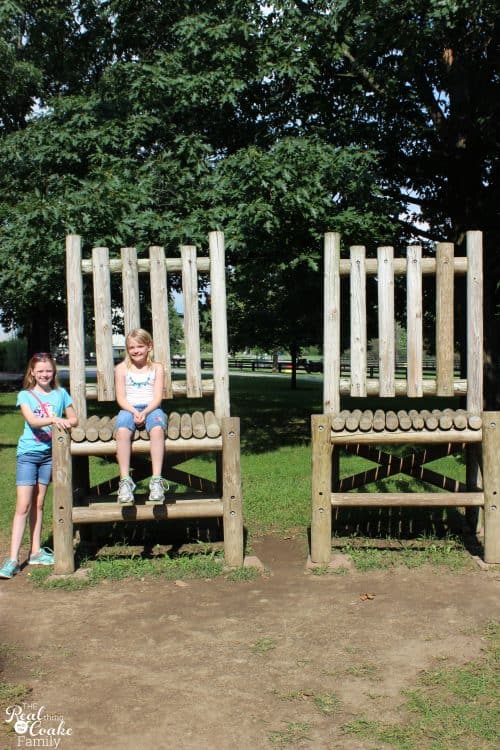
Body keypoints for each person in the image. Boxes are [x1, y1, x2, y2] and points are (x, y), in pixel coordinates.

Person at [0, 353, 78, 579]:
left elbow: (73, 419)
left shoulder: (61, 394)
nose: (45, 374)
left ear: (54, 372)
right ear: (32, 372)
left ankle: (35, 552)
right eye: (40, 371)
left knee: (39, 503)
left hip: (49, 456)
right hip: (28, 455)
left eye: (49, 371)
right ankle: (13, 559)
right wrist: (55, 419)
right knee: (23, 505)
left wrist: (65, 420)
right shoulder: (25, 395)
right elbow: (32, 421)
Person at [114, 328, 168, 505]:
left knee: (158, 429)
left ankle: (156, 480)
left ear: (149, 347)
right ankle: (125, 482)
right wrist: (134, 412)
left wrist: (144, 412)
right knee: (122, 431)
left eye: (140, 346)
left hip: (152, 408)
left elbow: (157, 397)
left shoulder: (157, 368)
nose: (136, 351)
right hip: (128, 409)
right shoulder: (121, 369)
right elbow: (121, 398)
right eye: (131, 347)